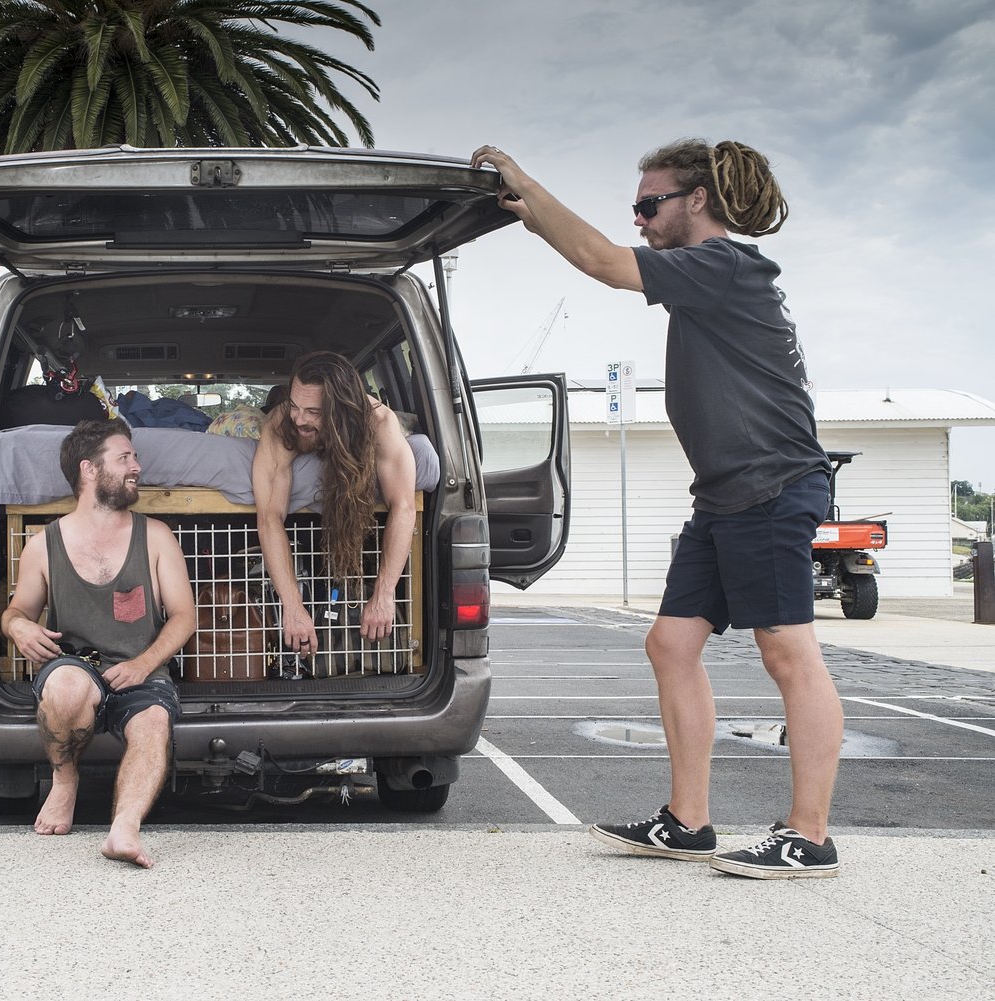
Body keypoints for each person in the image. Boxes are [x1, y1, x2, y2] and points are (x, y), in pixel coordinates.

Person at [469, 138, 841, 879]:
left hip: (769, 485)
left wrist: (530, 184)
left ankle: (811, 835)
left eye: (649, 204)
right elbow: (603, 251)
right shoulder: (711, 277)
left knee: (788, 653)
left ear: (695, 200)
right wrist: (534, 218)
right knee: (671, 644)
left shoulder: (724, 264)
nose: (639, 218)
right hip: (725, 496)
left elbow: (605, 263)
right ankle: (688, 821)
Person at [1, 419, 196, 868]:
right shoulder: (43, 543)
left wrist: (144, 664)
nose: (138, 467)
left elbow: (185, 617)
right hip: (76, 664)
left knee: (152, 725)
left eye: (135, 458)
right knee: (67, 687)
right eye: (125, 457)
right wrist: (18, 628)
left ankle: (124, 830)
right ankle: (65, 783)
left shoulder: (156, 536)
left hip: (140, 669)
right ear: (89, 470)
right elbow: (15, 612)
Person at [251, 351, 416, 659]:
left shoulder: (379, 422)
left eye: (313, 411)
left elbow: (404, 506)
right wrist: (293, 607)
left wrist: (384, 594)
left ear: (341, 408)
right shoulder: (282, 424)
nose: (300, 419)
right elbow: (269, 517)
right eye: (295, 406)